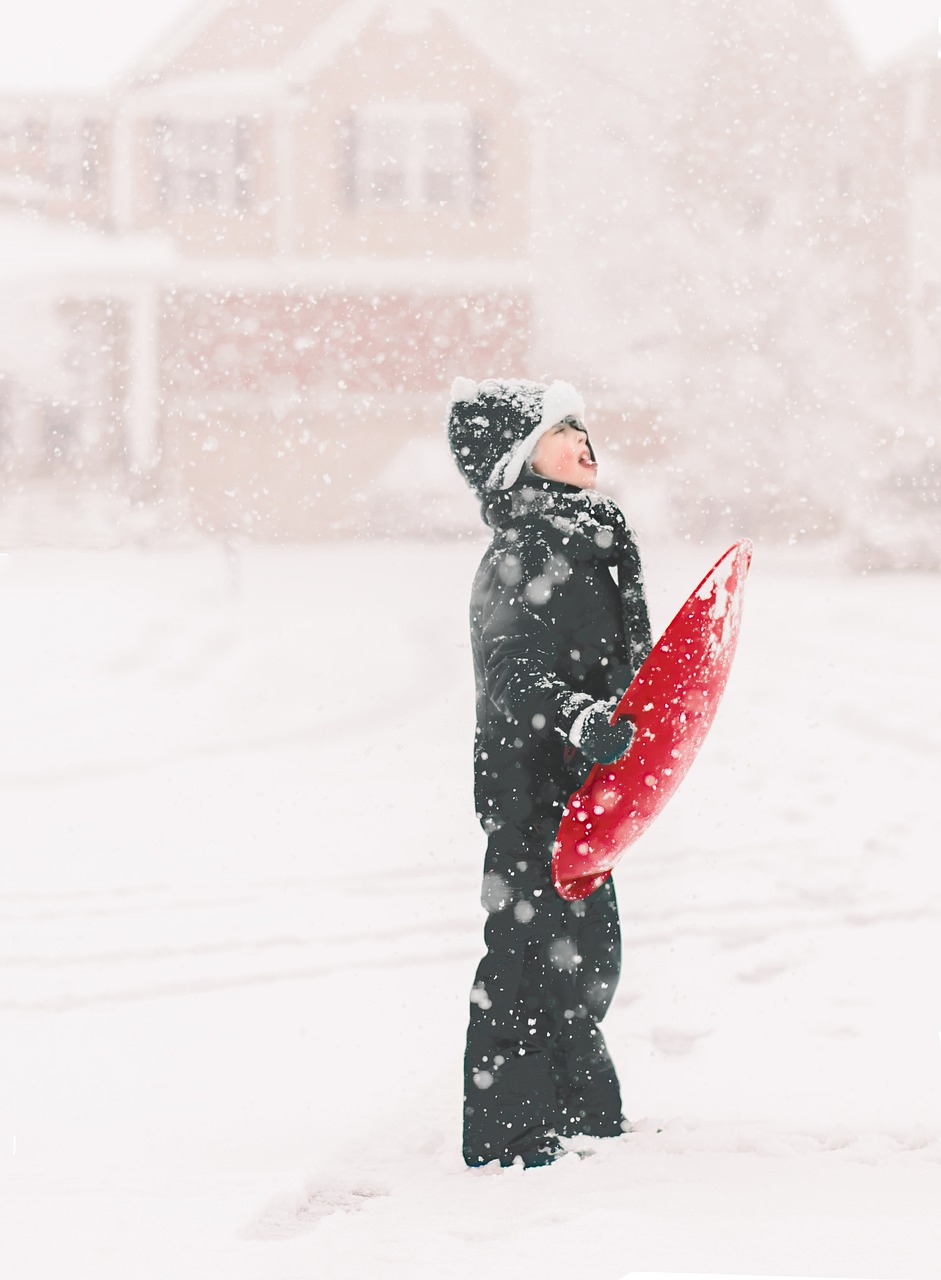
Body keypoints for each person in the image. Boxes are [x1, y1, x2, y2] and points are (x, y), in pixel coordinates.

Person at [446, 376, 652, 1169]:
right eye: (561, 429)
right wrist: (575, 718)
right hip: (532, 783)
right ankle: (508, 1133)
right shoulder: (529, 548)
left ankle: (581, 1111)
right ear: (515, 459)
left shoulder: (581, 534)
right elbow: (510, 669)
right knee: (528, 957)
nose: (584, 438)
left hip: (580, 785)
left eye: (582, 424)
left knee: (585, 952)